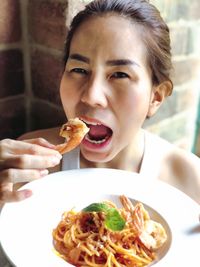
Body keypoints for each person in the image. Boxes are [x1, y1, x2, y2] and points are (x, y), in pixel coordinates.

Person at [0, 0, 199, 207]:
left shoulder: (190, 183)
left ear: (155, 97)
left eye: (120, 75)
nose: (91, 96)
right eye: (79, 70)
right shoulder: (26, 166)